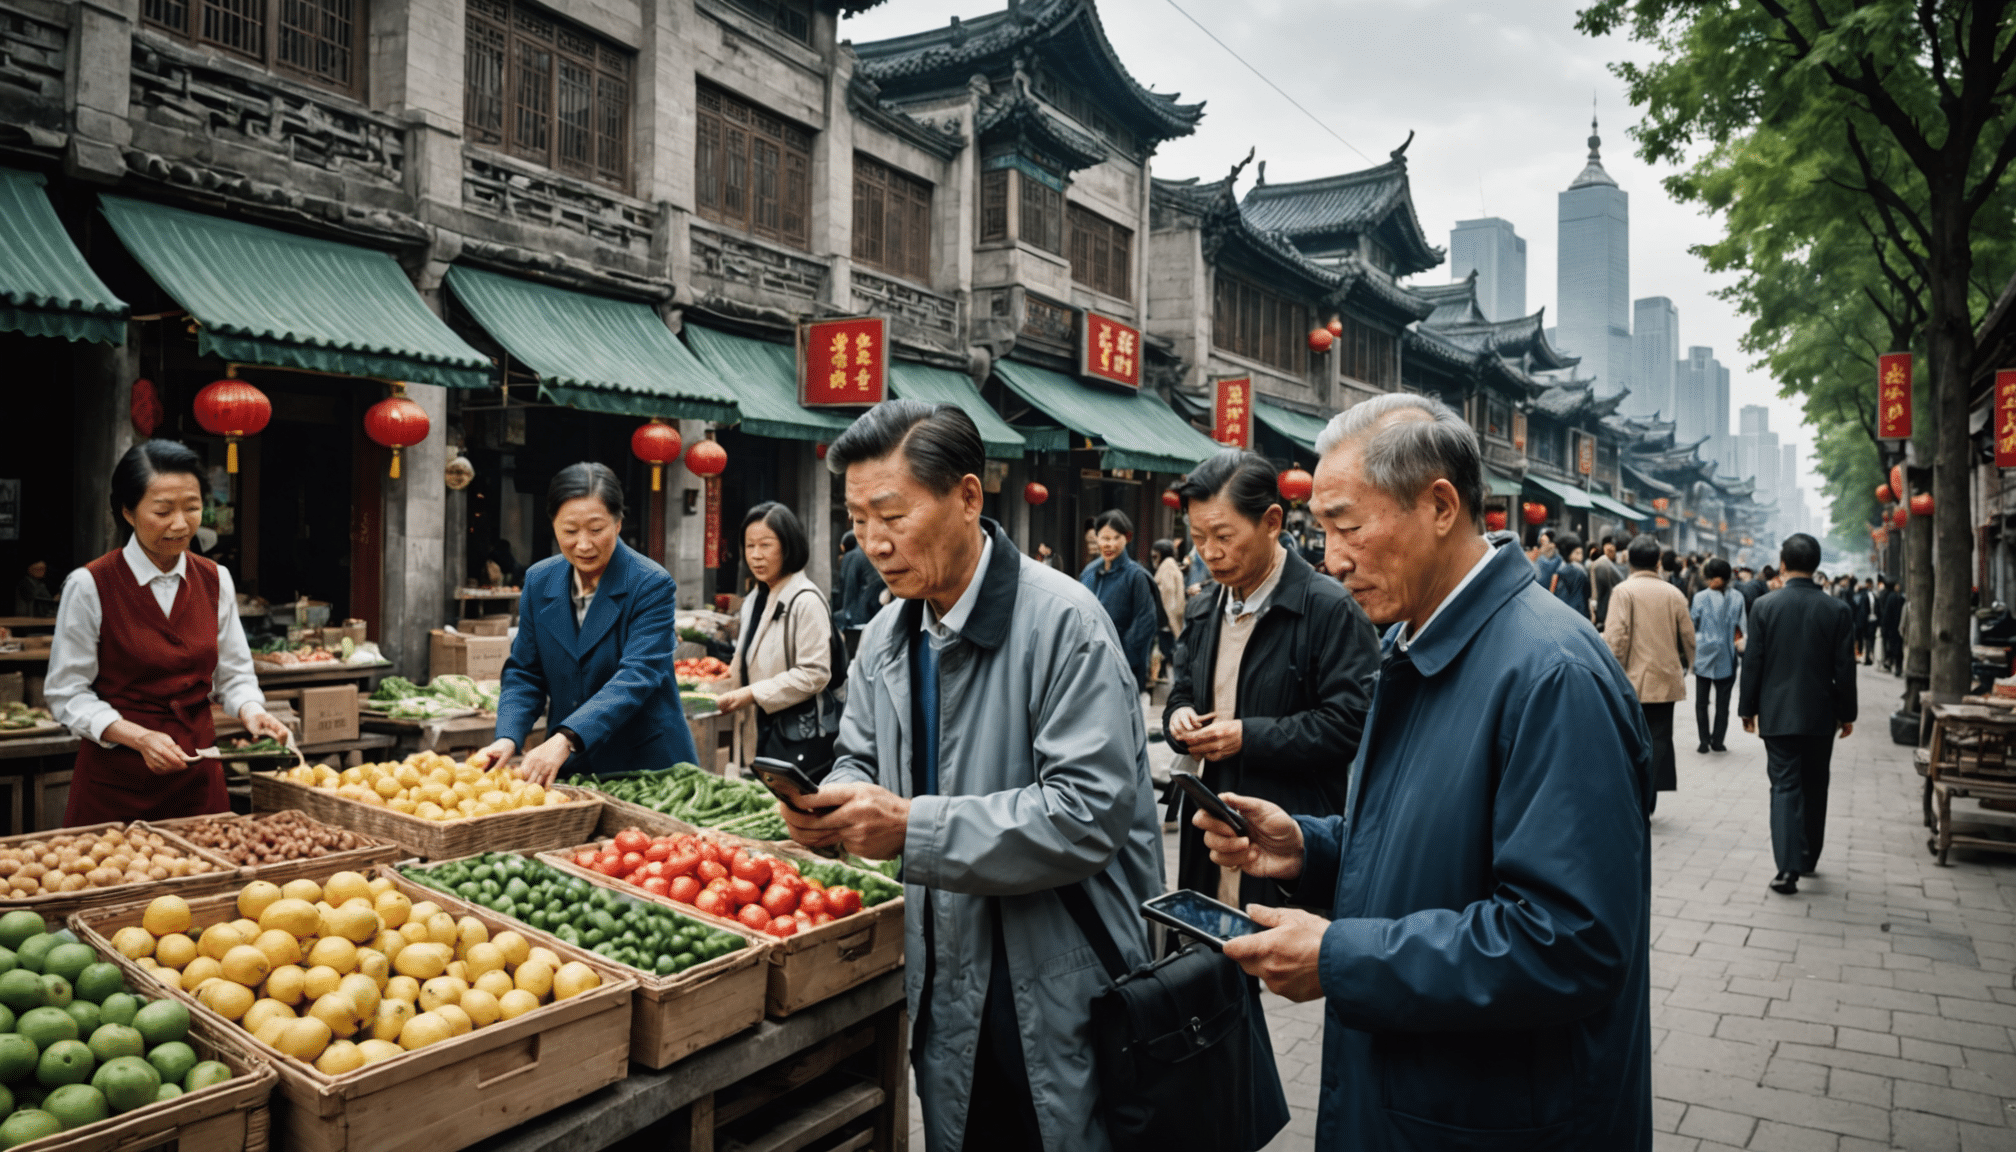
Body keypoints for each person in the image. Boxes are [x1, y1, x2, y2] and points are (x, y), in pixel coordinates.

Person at [1192, 393, 1652, 1149]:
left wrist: (1340, 956)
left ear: (1440, 505)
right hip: (1416, 1095)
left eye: (1346, 526)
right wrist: (1313, 847)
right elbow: (1438, 839)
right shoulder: (1419, 644)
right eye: (1321, 531)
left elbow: (1569, 941)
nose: (1332, 559)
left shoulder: (1547, 673)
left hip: (1492, 1116)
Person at [781, 400, 1165, 1151]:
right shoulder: (889, 634)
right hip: (944, 968)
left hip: (1062, 977)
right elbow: (861, 754)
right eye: (857, 520)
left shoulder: (1065, 624)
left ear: (966, 498)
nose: (872, 545)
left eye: (890, 514)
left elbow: (1085, 814)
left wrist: (909, 827)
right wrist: (839, 803)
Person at [1162, 448, 1379, 909]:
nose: (1210, 553)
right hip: (1214, 829)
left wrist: (1247, 736)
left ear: (1272, 521)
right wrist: (1178, 716)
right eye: (1198, 537)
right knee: (1210, 956)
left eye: (1224, 535)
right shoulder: (1206, 609)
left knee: (1282, 966)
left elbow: (1349, 724)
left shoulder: (1329, 609)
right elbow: (1183, 687)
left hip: (1289, 835)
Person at [46, 440, 290, 822]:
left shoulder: (215, 579)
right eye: (163, 510)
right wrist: (138, 737)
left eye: (192, 508)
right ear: (127, 511)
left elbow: (234, 675)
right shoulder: (90, 584)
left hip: (197, 781)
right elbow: (66, 694)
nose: (180, 523)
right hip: (116, 786)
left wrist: (250, 709)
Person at [477, 463, 698, 785]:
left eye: (596, 530)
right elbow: (525, 672)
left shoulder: (650, 584)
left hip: (648, 770)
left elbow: (637, 676)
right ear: (553, 525)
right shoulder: (540, 580)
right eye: (570, 531)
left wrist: (567, 736)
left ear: (619, 522)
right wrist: (508, 736)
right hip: (573, 767)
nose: (583, 544)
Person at [1738, 533, 1856, 895]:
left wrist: (1747, 708)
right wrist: (1847, 713)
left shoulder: (1765, 606)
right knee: (1816, 784)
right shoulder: (1837, 610)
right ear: (1816, 565)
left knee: (1785, 786)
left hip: (1777, 714)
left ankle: (1786, 869)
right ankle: (1808, 857)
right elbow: (1844, 668)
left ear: (1783, 563)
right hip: (1821, 714)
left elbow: (1753, 662)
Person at [714, 503, 837, 775]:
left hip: (796, 738)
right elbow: (743, 659)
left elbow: (815, 673)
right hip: (757, 731)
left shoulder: (806, 600)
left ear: (787, 546)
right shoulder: (755, 599)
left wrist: (752, 693)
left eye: (765, 545)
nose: (756, 555)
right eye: (749, 546)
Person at [1605, 534, 1695, 812]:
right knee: (1658, 738)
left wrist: (1610, 671)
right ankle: (1650, 797)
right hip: (1665, 680)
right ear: (1658, 562)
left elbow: (1616, 637)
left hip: (1630, 680)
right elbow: (1688, 636)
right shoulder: (1673, 593)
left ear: (1628, 560)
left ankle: (1635, 795)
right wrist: (1689, 664)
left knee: (1630, 738)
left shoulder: (1623, 591)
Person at [1079, 510, 1159, 695]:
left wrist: (1120, 657)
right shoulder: (1088, 573)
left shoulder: (1136, 576)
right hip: (1087, 662)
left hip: (1122, 665)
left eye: (1116, 538)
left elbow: (1145, 622)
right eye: (1105, 538)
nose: (1110, 544)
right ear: (1096, 538)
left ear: (1127, 538)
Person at [1690, 558, 1746, 753]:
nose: (1707, 581)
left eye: (1710, 577)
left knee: (1712, 703)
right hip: (1716, 655)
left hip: (1715, 654)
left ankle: (1713, 740)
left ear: (1720, 579)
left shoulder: (1702, 598)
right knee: (1707, 702)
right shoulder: (1734, 596)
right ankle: (1708, 740)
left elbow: (1692, 624)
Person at [833, 529, 884, 655]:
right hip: (876, 613)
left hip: (858, 616)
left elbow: (848, 587)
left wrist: (846, 613)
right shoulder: (871, 553)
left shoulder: (852, 556)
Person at [1150, 538, 1185, 685]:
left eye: (1155, 556)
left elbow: (1168, 596)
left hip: (1167, 621)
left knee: (1170, 654)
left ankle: (1176, 684)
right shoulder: (1169, 566)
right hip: (1168, 620)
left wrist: (1169, 621)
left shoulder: (1167, 567)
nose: (1153, 560)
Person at [1547, 532, 1592, 620]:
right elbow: (1586, 594)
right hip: (1580, 615)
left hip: (1563, 615)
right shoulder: (1580, 572)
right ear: (1568, 553)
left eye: (1581, 553)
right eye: (1576, 553)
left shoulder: (1558, 570)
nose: (1580, 557)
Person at [1879, 577, 1905, 673]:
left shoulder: (1886, 595)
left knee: (1890, 646)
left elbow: (1885, 613)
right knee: (1897, 647)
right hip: (1895, 626)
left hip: (1890, 627)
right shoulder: (1896, 597)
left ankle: (1889, 663)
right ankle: (1897, 667)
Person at [1853, 578, 1877, 665]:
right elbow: (1863, 610)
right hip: (1866, 622)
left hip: (1872, 620)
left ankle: (1869, 657)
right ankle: (1867, 658)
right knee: (1866, 640)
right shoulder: (1864, 594)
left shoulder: (1872, 594)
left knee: (1870, 640)